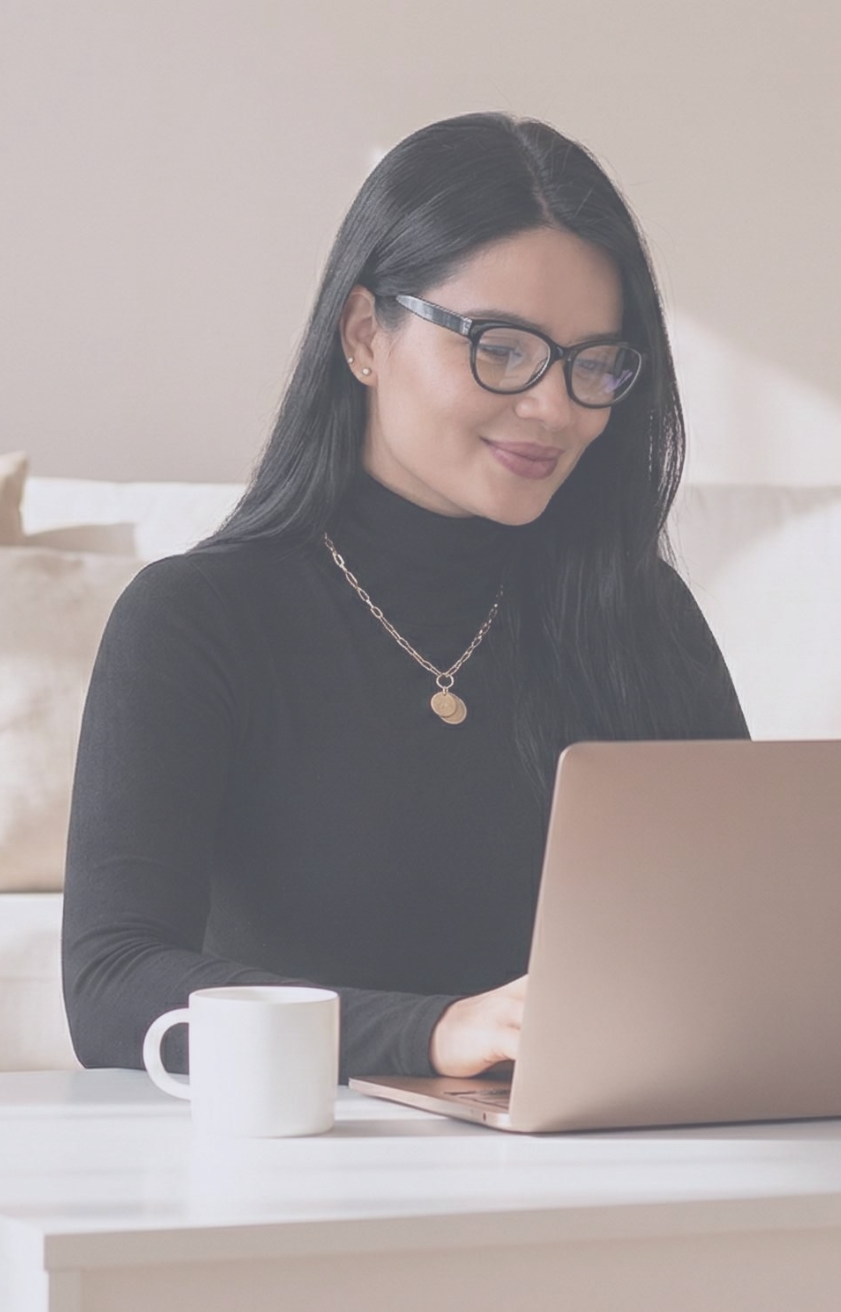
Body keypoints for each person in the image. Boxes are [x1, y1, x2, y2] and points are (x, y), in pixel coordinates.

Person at [62, 109, 748, 1086]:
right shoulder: (196, 621)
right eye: (501, 347)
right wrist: (433, 1035)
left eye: (595, 364)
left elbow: (746, 940)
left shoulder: (639, 615)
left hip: (608, 1157)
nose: (554, 407)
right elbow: (112, 983)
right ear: (364, 336)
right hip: (313, 1167)